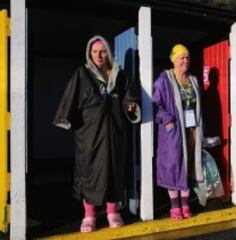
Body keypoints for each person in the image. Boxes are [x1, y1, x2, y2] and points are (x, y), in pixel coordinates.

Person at [53, 35, 141, 232]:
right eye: (95, 52)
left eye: (102, 51)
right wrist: (66, 118)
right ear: (89, 53)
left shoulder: (120, 74)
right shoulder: (82, 74)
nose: (99, 55)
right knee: (89, 173)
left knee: (113, 171)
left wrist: (130, 105)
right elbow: (70, 97)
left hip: (116, 133)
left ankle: (112, 211)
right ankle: (89, 216)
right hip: (90, 134)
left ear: (108, 53)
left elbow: (129, 95)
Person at [152, 44, 203, 220]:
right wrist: (168, 120)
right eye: (181, 57)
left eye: (187, 57)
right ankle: (175, 205)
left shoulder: (193, 80)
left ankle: (185, 203)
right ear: (173, 59)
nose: (185, 60)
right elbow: (155, 104)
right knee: (173, 166)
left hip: (192, 128)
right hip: (173, 131)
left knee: (188, 164)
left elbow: (198, 107)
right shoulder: (164, 80)